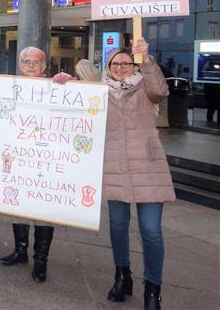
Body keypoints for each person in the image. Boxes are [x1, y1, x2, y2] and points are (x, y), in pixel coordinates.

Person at [102, 42, 173, 309]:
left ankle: (153, 289)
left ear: (134, 66)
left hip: (148, 167)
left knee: (151, 231)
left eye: (126, 63)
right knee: (118, 226)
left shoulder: (146, 87)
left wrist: (145, 58)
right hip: (115, 165)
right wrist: (62, 82)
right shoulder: (99, 91)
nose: (120, 68)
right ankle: (122, 275)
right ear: (108, 68)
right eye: (115, 64)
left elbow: (160, 89)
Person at [0, 46, 56, 282]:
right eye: (26, 62)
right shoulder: (11, 90)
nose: (31, 66)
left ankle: (41, 259)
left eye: (36, 62)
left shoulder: (58, 89)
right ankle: (20, 251)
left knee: (43, 212)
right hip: (19, 158)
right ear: (20, 65)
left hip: (46, 160)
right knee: (18, 205)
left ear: (44, 67)